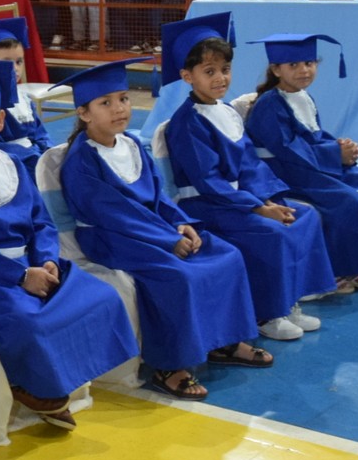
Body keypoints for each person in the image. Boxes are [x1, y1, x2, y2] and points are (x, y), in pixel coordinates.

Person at [0, 59, 138, 425]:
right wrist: (21, 277)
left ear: (0, 121)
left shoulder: (13, 165)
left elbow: (40, 223)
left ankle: (65, 375)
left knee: (99, 297)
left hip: (32, 264)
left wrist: (48, 260)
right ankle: (33, 387)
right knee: (27, 321)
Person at [56, 61, 267, 401]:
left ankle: (224, 342)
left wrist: (181, 223)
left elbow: (159, 197)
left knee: (226, 255)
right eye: (105, 103)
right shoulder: (81, 161)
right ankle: (170, 366)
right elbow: (115, 214)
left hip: (154, 230)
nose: (119, 109)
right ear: (84, 113)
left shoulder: (132, 145)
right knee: (175, 278)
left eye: (123, 99)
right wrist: (168, 239)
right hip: (111, 238)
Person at [160, 15, 335, 343]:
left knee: (305, 216)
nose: (220, 78)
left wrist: (268, 200)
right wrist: (257, 209)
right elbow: (208, 181)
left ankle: (291, 301)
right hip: (207, 204)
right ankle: (268, 314)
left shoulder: (226, 111)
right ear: (187, 76)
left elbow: (250, 166)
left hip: (241, 198)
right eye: (208, 71)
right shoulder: (187, 123)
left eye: (225, 69)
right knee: (271, 233)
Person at [0, 18, 52, 161]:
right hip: (8, 163)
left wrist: (47, 152)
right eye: (7, 62)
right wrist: (31, 154)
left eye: (19, 61)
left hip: (33, 157)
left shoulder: (24, 98)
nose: (15, 68)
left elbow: (40, 133)